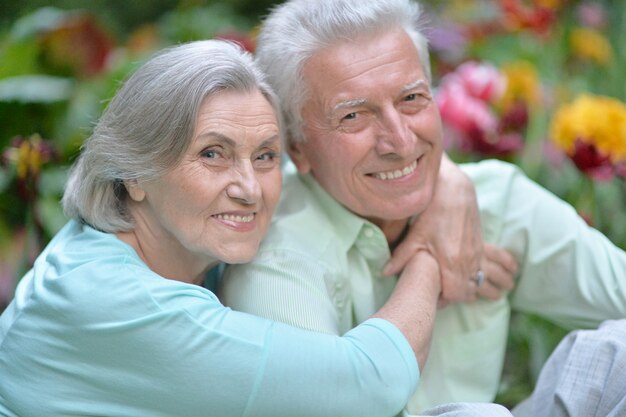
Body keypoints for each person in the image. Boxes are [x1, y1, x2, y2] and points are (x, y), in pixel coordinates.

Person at [0, 40, 512, 417]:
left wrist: (448, 187)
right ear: (135, 173)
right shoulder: (121, 302)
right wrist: (428, 257)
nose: (249, 187)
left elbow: (359, 168)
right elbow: (371, 383)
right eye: (212, 154)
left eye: (265, 154)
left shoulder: (158, 232)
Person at [219, 0, 626, 414]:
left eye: (412, 98)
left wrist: (450, 184)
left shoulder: (491, 199)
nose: (400, 141)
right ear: (297, 146)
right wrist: (430, 263)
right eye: (354, 116)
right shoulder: (276, 259)